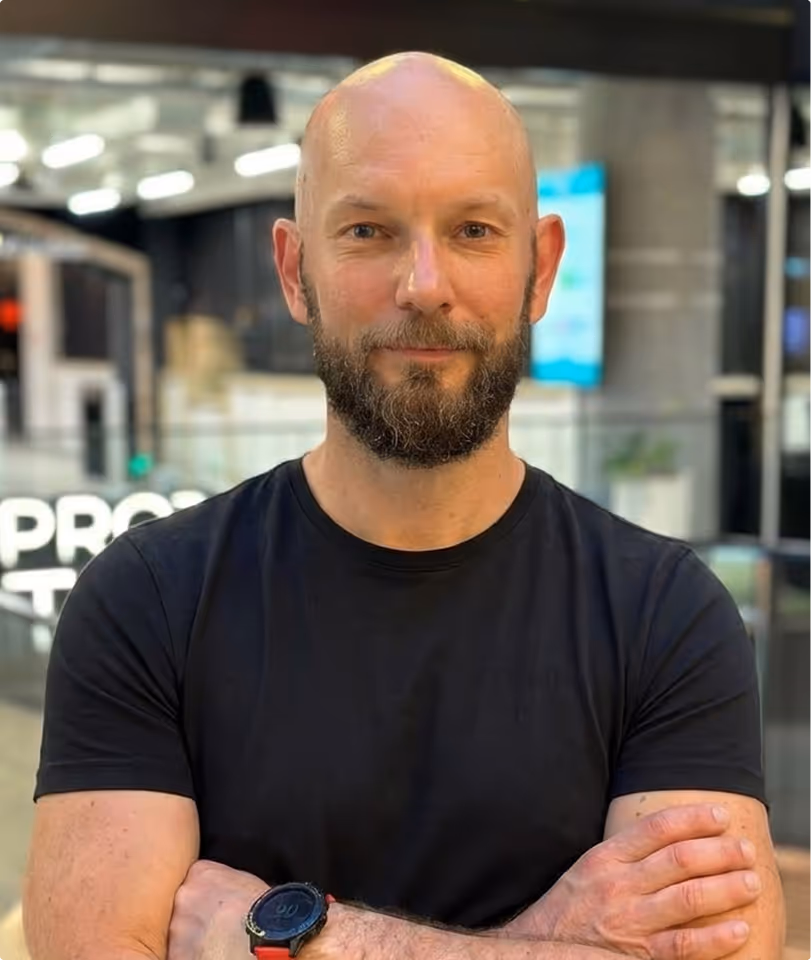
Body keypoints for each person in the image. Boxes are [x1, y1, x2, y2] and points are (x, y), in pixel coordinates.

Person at [23, 51, 784, 960]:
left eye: (471, 230)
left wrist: (298, 941)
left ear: (539, 270)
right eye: (367, 231)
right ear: (294, 271)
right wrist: (553, 943)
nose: (424, 284)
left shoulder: (667, 614)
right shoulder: (144, 601)